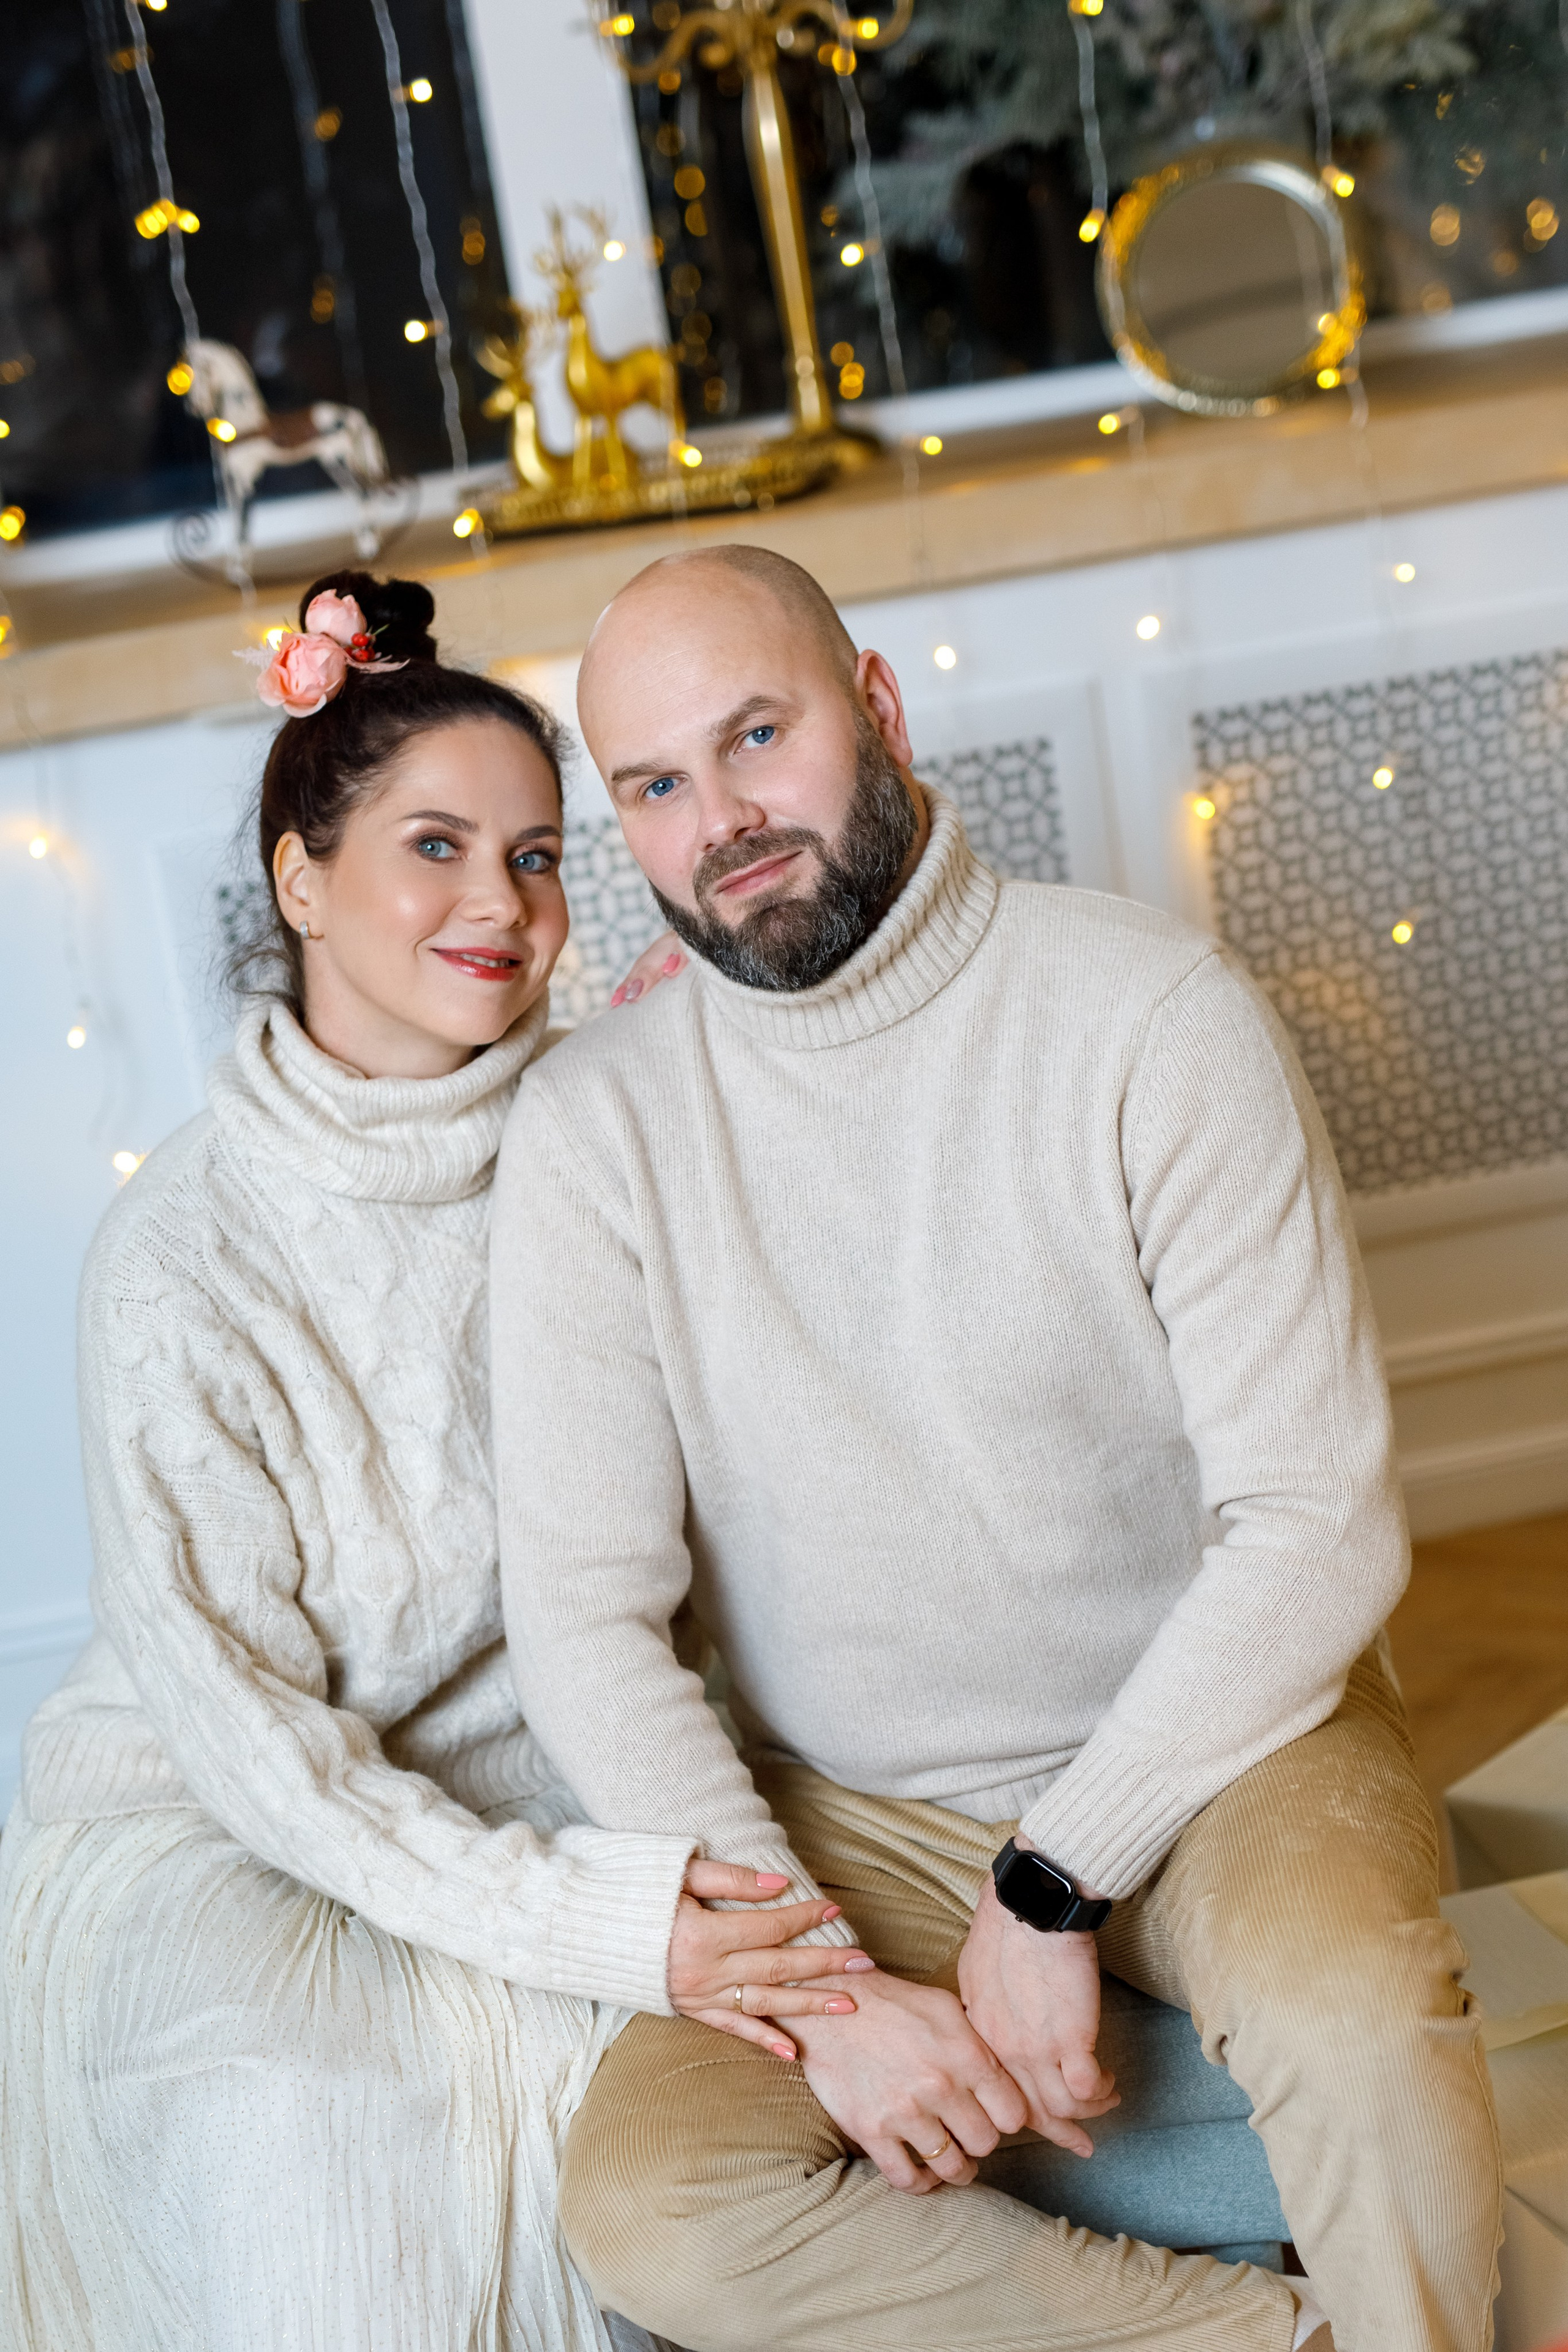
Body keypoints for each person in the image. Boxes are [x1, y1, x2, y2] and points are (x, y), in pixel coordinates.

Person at [490, 544, 1503, 2352]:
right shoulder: (593, 1133)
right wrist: (818, 1994)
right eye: (655, 785)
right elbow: (582, 1619)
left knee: (1358, 2021)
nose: (721, 819)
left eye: (758, 737)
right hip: (849, 1807)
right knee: (650, 2207)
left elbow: (1319, 1527)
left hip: (1216, 1743)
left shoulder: (1148, 1013)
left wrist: (1054, 1881)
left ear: (875, 711)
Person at [0, 571, 875, 2352]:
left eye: (542, 855)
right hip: (229, 1815)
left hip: (568, 1773)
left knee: (724, 2138)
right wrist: (605, 1926)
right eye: (437, 846)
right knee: (319, 2140)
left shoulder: (623, 1125)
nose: (501, 902)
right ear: (300, 880)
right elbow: (260, 1748)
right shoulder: (180, 1261)